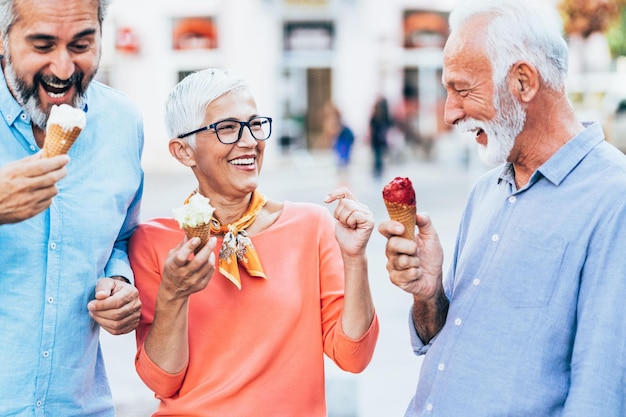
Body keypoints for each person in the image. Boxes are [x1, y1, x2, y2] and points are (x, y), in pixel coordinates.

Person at [378, 1, 626, 416]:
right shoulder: (486, 190)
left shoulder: (614, 198)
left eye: (462, 89)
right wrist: (428, 293)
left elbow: (600, 395)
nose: (449, 112)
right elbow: (446, 336)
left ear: (523, 81)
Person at [129, 68, 379, 416]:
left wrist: (355, 259)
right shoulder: (152, 242)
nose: (249, 141)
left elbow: (353, 357)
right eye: (227, 128)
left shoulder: (311, 226)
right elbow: (162, 381)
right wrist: (174, 293)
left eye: (254, 124)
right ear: (183, 152)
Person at [0, 0, 144, 415]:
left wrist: (118, 281)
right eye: (42, 45)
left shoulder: (122, 123)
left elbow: (120, 235)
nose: (63, 69)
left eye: (81, 45)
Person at [369, 96, 392, 178]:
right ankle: (377, 171)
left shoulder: (384, 117)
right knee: (377, 157)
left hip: (381, 141)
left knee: (380, 157)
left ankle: (379, 171)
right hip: (376, 141)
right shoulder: (375, 118)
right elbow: (371, 130)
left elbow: (389, 127)